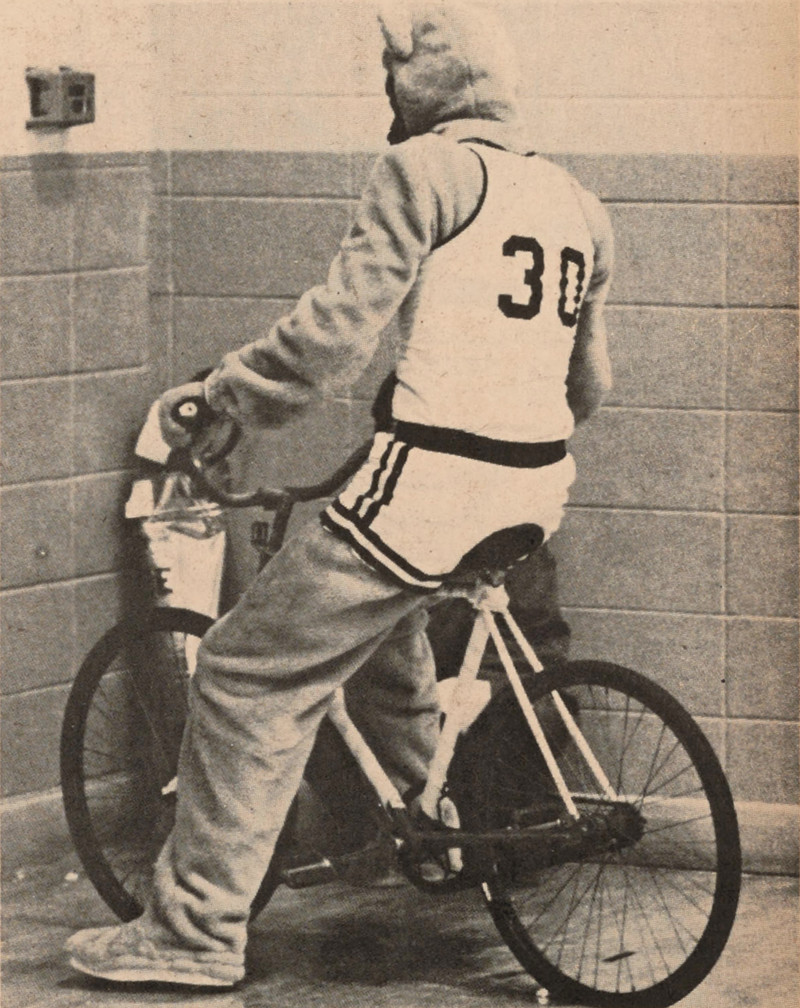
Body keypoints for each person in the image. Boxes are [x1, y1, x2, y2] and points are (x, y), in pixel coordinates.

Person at [66, 3, 613, 988]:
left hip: (434, 483)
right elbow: (589, 388)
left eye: (390, 79)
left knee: (241, 670)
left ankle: (190, 935)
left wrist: (225, 394)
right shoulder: (576, 201)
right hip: (536, 488)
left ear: (420, 83)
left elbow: (332, 335)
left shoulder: (422, 171)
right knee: (384, 631)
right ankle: (435, 832)